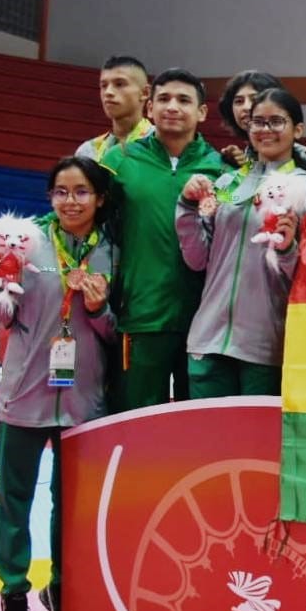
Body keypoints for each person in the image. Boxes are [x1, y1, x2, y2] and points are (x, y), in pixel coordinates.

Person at [0, 156, 118, 611]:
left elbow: (111, 331)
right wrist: (2, 285)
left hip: (83, 402)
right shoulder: (24, 244)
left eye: (82, 191)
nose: (71, 200)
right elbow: (1, 319)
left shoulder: (110, 251)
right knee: (12, 501)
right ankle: (14, 594)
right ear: (49, 197)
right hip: (23, 397)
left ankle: (63, 589)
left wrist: (99, 306)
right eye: (61, 191)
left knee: (70, 505)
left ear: (99, 198)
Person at [176, 87, 306, 398]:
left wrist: (286, 251)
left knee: (253, 447)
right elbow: (198, 259)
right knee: (207, 444)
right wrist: (187, 208)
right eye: (258, 122)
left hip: (266, 345)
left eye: (276, 122)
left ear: (297, 130)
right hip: (208, 340)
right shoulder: (227, 184)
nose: (265, 130)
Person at [99, 68, 227, 410]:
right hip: (141, 315)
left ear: (201, 112)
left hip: (203, 321)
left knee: (197, 425)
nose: (173, 107)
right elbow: (81, 213)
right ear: (149, 108)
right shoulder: (118, 161)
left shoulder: (223, 170)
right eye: (164, 99)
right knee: (136, 421)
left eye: (184, 100)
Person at [75, 55, 151, 162]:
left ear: (145, 92)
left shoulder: (163, 144)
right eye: (104, 86)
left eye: (119, 84)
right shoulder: (88, 152)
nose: (108, 92)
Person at [215, 70, 282, 168]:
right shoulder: (250, 153)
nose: (246, 107)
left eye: (255, 99)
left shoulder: (302, 156)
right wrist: (238, 166)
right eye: (239, 101)